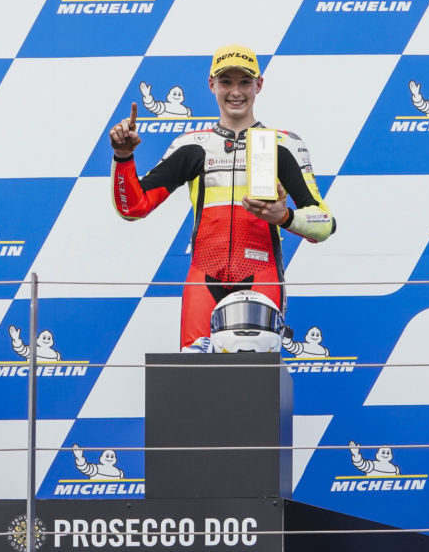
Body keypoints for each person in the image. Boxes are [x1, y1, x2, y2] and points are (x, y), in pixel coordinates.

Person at [107, 44, 338, 348]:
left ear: (259, 85)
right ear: (211, 84)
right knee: (196, 382)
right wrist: (123, 157)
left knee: (257, 384)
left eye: (244, 82)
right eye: (226, 82)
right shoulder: (192, 146)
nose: (235, 92)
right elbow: (133, 207)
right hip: (204, 276)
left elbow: (324, 225)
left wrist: (285, 217)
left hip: (261, 275)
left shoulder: (283, 145)